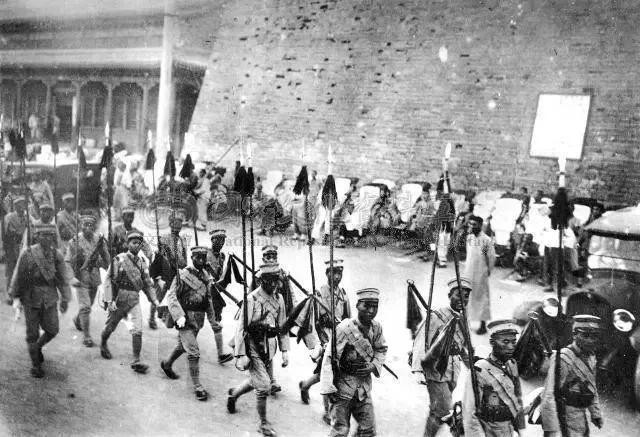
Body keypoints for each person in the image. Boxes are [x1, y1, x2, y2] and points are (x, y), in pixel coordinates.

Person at [227, 262, 290, 437]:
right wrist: (240, 354)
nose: (273, 284)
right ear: (261, 280)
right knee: (263, 386)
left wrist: (285, 350)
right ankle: (263, 423)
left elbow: (282, 326)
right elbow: (241, 328)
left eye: (276, 280)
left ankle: (234, 394)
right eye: (269, 280)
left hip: (269, 346)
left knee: (258, 380)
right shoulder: (251, 299)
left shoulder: (279, 299)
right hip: (253, 346)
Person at [319, 287, 388, 437]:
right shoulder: (344, 329)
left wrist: (374, 365)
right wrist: (328, 388)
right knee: (340, 431)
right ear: (357, 305)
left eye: (374, 306)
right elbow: (329, 358)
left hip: (363, 389)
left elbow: (381, 349)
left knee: (368, 430)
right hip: (342, 389)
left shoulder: (376, 328)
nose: (371, 311)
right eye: (366, 306)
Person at [411, 277, 471, 437]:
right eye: (458, 295)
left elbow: (463, 347)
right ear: (449, 295)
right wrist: (418, 370)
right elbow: (420, 341)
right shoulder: (436, 316)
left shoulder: (464, 318)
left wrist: (473, 366)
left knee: (437, 411)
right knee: (444, 410)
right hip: (436, 368)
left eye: (466, 296)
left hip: (453, 370)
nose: (462, 300)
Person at [9, 224, 71, 378]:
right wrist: (15, 296)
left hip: (50, 298)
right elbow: (18, 275)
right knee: (32, 334)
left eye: (49, 235)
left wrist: (65, 298)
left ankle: (37, 348)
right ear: (37, 236)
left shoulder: (57, 255)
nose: (47, 238)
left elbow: (63, 279)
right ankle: (36, 365)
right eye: (43, 235)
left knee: (53, 329)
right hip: (31, 298)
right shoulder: (28, 253)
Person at [160, 246, 218, 401]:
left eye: (203, 257)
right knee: (193, 352)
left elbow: (208, 300)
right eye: (197, 257)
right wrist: (179, 316)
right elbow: (172, 296)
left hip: (198, 320)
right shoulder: (182, 275)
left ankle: (167, 363)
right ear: (192, 258)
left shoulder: (206, 276)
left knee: (182, 346)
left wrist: (213, 320)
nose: (201, 260)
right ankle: (197, 386)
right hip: (184, 319)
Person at [99, 230, 160, 374]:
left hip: (134, 300)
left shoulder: (142, 263)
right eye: (134, 242)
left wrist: (155, 300)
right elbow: (108, 280)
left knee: (137, 329)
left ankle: (136, 360)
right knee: (110, 326)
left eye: (139, 243)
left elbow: (147, 284)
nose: (137, 245)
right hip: (119, 299)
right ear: (128, 244)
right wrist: (109, 300)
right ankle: (103, 343)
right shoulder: (119, 259)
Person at [299, 259, 351, 424]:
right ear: (327, 274)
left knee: (327, 371)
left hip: (339, 337)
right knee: (329, 372)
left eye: (339, 273)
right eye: (333, 273)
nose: (337, 277)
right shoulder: (319, 293)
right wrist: (322, 342)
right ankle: (327, 412)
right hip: (325, 337)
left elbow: (347, 318)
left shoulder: (343, 294)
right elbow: (314, 322)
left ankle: (305, 385)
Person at [541, 315, 604, 437]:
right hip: (563, 417)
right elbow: (549, 395)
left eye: (594, 336)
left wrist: (595, 413)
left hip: (580, 417)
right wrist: (552, 430)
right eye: (585, 335)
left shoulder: (591, 357)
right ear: (574, 334)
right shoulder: (563, 358)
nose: (590, 340)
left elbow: (591, 387)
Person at [462, 319, 525, 436]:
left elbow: (517, 398)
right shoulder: (479, 370)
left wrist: (521, 428)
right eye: (505, 342)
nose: (511, 347)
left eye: (513, 342)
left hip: (509, 429)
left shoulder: (511, 364)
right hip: (489, 431)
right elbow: (469, 413)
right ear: (492, 342)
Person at [66, 215, 109, 347]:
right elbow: (67, 261)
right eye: (85, 225)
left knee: (88, 304)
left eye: (91, 225)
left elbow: (106, 258)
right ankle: (86, 336)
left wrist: (108, 264)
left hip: (94, 277)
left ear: (94, 227)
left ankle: (78, 320)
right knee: (85, 307)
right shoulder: (74, 241)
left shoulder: (98, 240)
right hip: (81, 277)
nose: (88, 228)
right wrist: (71, 277)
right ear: (81, 226)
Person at [150, 209, 188, 329]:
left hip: (177, 273)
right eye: (175, 223)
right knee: (158, 296)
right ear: (171, 224)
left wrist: (182, 266)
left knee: (177, 298)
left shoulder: (182, 240)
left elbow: (185, 258)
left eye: (180, 223)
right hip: (165, 272)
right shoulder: (164, 238)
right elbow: (160, 257)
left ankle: (174, 320)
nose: (178, 226)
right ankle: (151, 318)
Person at [204, 229, 234, 364]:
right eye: (218, 240)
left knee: (216, 324)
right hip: (202, 292)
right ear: (212, 240)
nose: (220, 243)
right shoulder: (204, 253)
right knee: (194, 323)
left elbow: (221, 276)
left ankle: (221, 354)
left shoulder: (222, 256)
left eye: (223, 240)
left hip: (215, 294)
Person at [465, 215, 496, 334]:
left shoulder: (485, 240)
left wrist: (487, 271)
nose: (471, 226)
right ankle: (465, 323)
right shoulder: (469, 238)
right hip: (469, 272)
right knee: (467, 297)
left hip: (480, 273)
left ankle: (483, 325)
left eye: (474, 224)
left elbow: (490, 257)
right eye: (469, 223)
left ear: (480, 225)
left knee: (481, 298)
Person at [3, 196, 29, 303]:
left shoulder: (28, 217)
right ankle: (10, 294)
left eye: (23, 204)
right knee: (11, 271)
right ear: (15, 206)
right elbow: (8, 232)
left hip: (23, 246)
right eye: (19, 204)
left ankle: (21, 294)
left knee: (23, 270)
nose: (22, 206)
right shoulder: (9, 217)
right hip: (12, 247)